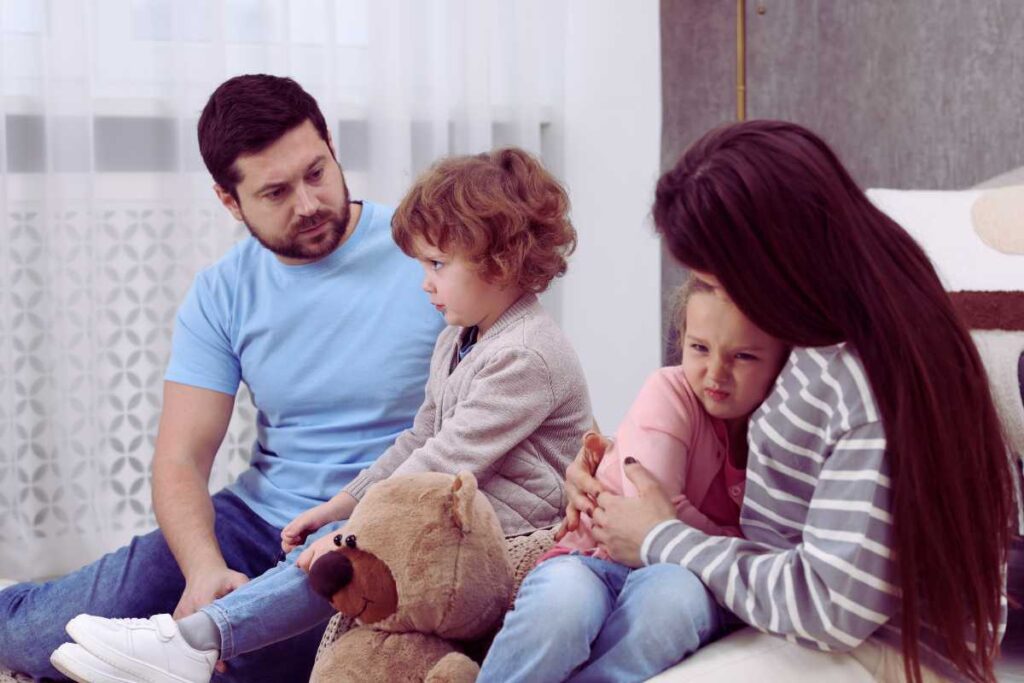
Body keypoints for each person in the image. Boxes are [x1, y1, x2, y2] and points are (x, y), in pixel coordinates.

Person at [52, 147, 594, 683]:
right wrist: (341, 504)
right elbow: (420, 437)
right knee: (344, 546)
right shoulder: (458, 336)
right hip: (456, 525)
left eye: (437, 264)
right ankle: (200, 640)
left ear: (501, 261)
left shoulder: (526, 355)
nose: (424, 282)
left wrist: (351, 530)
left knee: (343, 556)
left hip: (512, 543)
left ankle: (201, 640)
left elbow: (445, 460)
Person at [0, 74, 446, 682]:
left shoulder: (430, 253)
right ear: (229, 200)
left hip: (378, 523)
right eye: (276, 192)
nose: (309, 204)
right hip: (259, 520)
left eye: (316, 173)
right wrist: (204, 566)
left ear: (332, 148)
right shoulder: (222, 290)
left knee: (254, 660)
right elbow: (180, 458)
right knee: (34, 636)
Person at [559, 120, 1014, 682]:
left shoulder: (863, 379)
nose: (715, 302)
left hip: (882, 657)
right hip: (803, 626)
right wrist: (612, 474)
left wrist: (660, 537)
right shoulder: (815, 335)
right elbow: (736, 452)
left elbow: (830, 607)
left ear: (773, 265)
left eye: (720, 284)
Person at [478, 276, 790, 682]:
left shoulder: (785, 428)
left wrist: (702, 541)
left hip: (689, 576)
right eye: (699, 348)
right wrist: (737, 544)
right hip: (594, 557)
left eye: (744, 356)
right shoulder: (670, 389)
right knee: (562, 607)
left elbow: (772, 553)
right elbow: (652, 511)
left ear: (783, 359)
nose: (716, 372)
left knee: (673, 603)